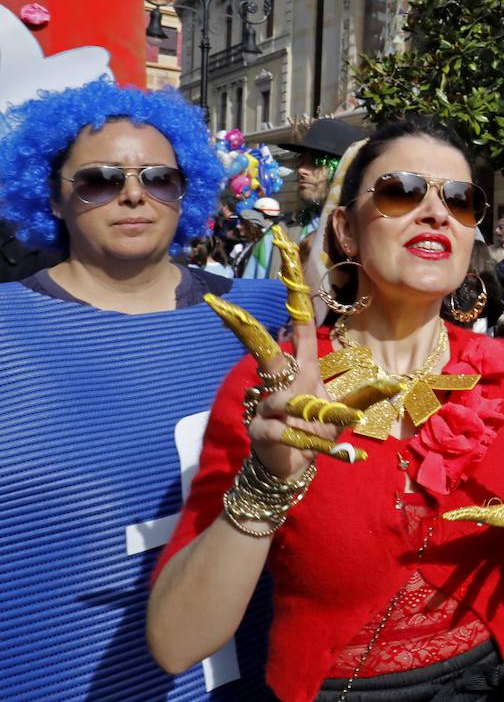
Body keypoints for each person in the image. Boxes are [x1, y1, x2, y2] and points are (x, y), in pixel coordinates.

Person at [147, 118, 504, 701]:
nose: (438, 213)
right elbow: (176, 641)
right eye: (402, 191)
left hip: (495, 681)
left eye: (462, 200)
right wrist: (265, 486)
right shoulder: (274, 389)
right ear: (346, 229)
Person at [0, 79, 290, 699]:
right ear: (53, 197)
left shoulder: (269, 316)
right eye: (101, 179)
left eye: (159, 179)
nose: (134, 194)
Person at [279, 117, 369, 241]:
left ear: (344, 169)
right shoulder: (279, 235)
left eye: (316, 163)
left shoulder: (368, 235)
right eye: (301, 162)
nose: (301, 170)